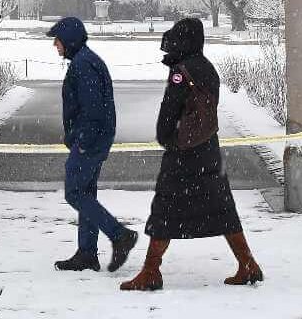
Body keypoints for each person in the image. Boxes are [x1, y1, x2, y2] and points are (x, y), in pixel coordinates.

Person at [121, 17, 263, 292]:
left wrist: (166, 136)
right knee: (222, 207)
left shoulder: (181, 71)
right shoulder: (207, 68)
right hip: (208, 148)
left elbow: (170, 112)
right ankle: (247, 264)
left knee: (166, 206)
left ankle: (151, 271)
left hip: (183, 152)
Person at [46, 16, 137, 273]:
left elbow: (93, 109)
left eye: (58, 40)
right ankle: (87, 253)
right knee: (86, 194)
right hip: (93, 139)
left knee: (74, 193)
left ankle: (119, 235)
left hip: (90, 141)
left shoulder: (84, 65)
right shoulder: (84, 61)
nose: (55, 45)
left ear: (69, 41)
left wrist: (82, 141)